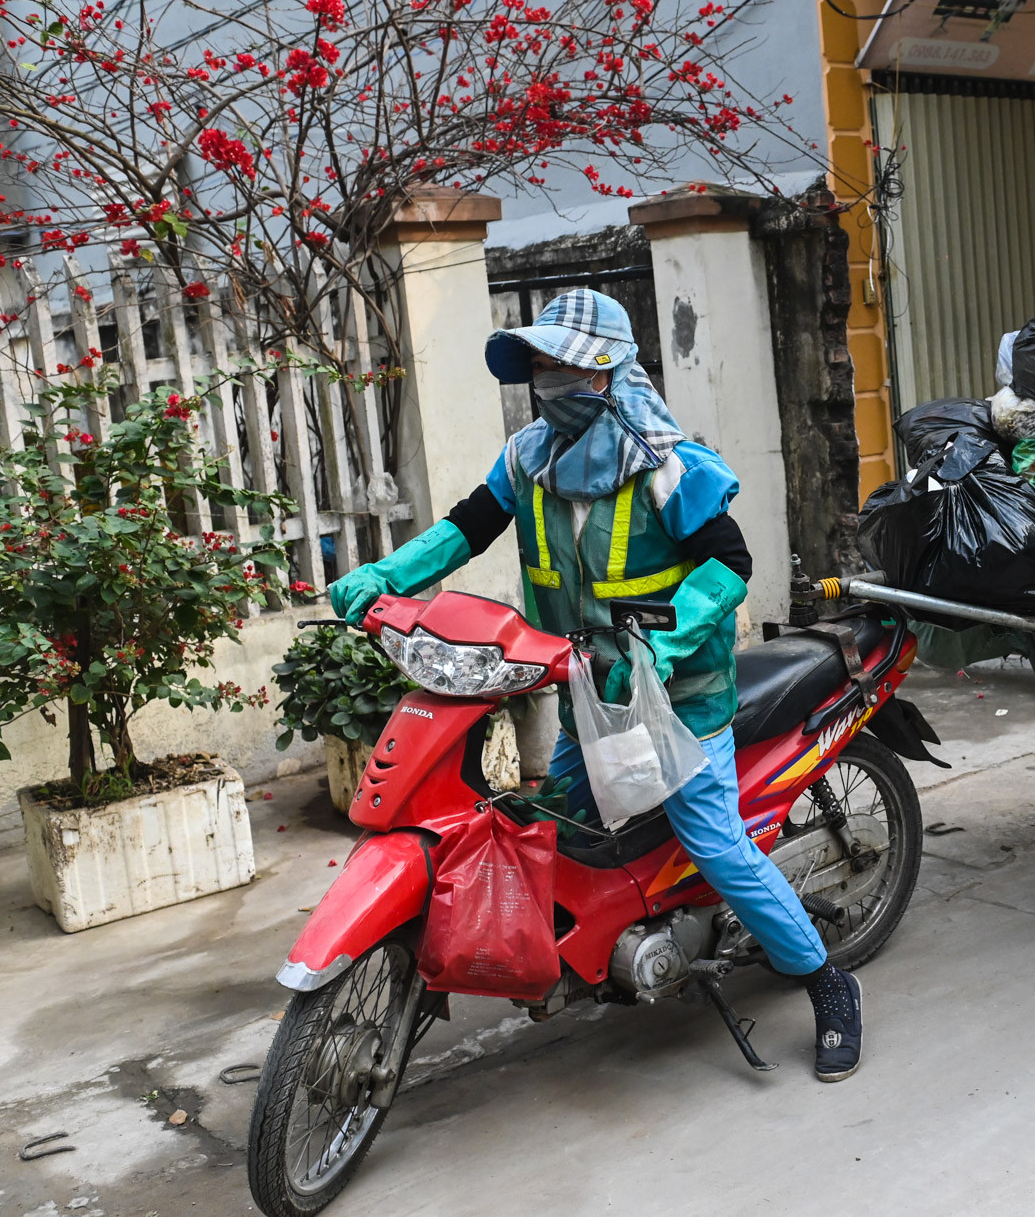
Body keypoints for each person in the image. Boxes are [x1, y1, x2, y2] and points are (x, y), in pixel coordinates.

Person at [327, 290, 863, 1082]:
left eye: (562, 362)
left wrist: (667, 641)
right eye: (539, 363)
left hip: (679, 698)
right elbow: (467, 527)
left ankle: (827, 981)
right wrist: (385, 576)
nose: (546, 376)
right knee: (553, 818)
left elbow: (730, 565)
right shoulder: (528, 457)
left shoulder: (669, 461)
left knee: (715, 843)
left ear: (608, 369)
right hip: (586, 691)